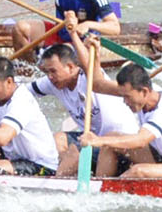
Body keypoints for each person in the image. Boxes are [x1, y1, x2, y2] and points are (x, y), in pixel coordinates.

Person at [29, 40, 138, 178]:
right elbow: (21, 92)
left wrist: (74, 34)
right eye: (47, 72)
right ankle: (66, 172)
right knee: (58, 139)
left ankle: (58, 179)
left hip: (119, 143)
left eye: (53, 71)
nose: (50, 77)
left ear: (70, 67)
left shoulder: (90, 77)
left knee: (76, 151)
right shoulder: (52, 82)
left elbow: (89, 64)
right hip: (91, 140)